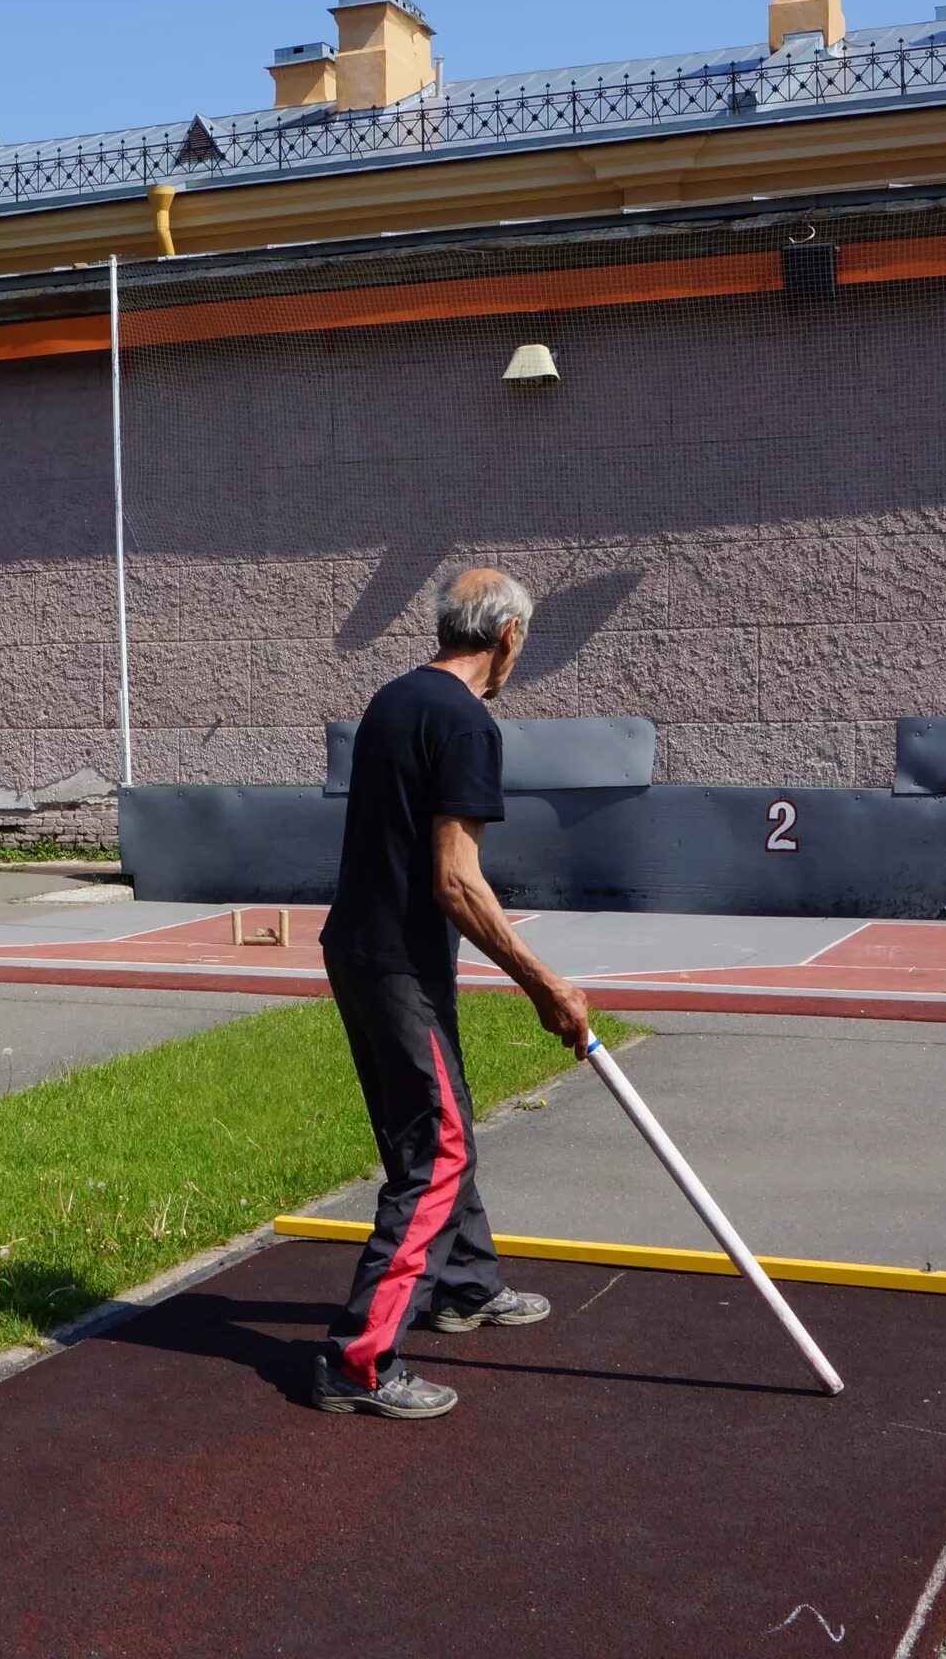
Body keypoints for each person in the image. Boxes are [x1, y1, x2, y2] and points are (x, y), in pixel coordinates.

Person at [309, 568, 592, 1421]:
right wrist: (547, 985)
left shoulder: (394, 697)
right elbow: (457, 883)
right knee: (436, 1152)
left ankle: (464, 1286)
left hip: (363, 952)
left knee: (446, 1123)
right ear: (507, 635)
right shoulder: (467, 723)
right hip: (396, 961)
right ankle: (357, 1363)